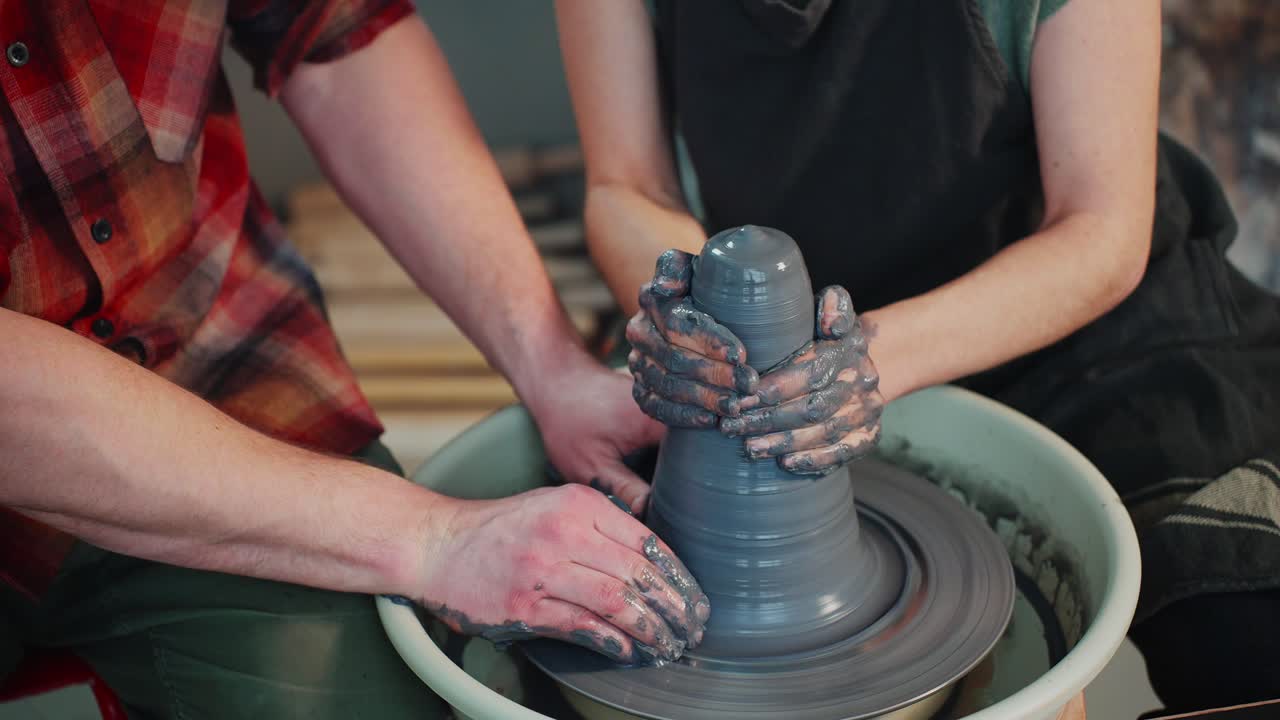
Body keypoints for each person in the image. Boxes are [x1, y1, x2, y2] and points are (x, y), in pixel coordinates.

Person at [555, 0, 1280, 714]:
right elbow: (627, 185)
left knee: (1238, 627)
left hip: (1079, 326)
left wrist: (866, 360)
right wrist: (700, 320)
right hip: (780, 354)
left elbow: (1101, 227)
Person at [0, 3, 711, 718]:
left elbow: (337, 35)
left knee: (391, 690)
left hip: (213, 359)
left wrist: (553, 369)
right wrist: (433, 535)